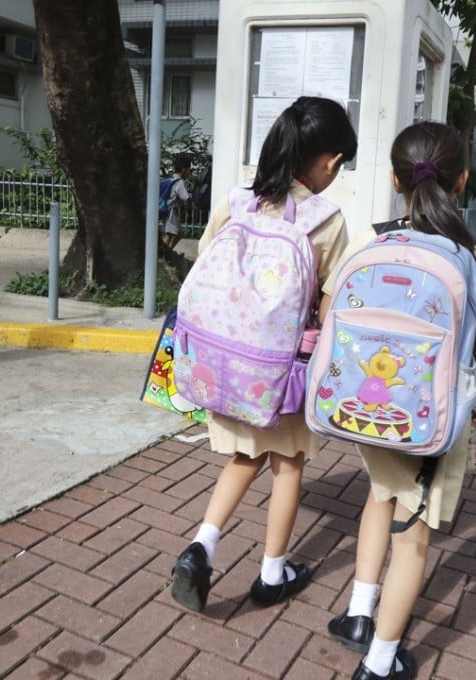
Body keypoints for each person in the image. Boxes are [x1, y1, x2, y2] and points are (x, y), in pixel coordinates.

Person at [325, 122, 476, 680]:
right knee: (414, 533)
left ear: (394, 180)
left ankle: (359, 613)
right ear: (462, 181)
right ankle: (380, 662)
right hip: (430, 420)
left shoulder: (372, 241)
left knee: (379, 497)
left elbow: (332, 307)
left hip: (366, 413)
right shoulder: (471, 253)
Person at [170, 96, 357, 614]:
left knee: (243, 454)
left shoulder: (237, 201)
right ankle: (272, 574)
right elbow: (330, 300)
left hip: (227, 368)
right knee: (288, 464)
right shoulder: (326, 219)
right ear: (331, 161)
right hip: (282, 375)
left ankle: (201, 545)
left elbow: (207, 260)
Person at [162, 155, 193, 250]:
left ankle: (167, 252)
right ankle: (162, 254)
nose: (189, 173)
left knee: (179, 233)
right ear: (184, 170)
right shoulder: (179, 182)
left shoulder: (172, 180)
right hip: (171, 210)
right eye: (188, 170)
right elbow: (185, 197)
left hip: (170, 210)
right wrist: (193, 205)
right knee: (169, 234)